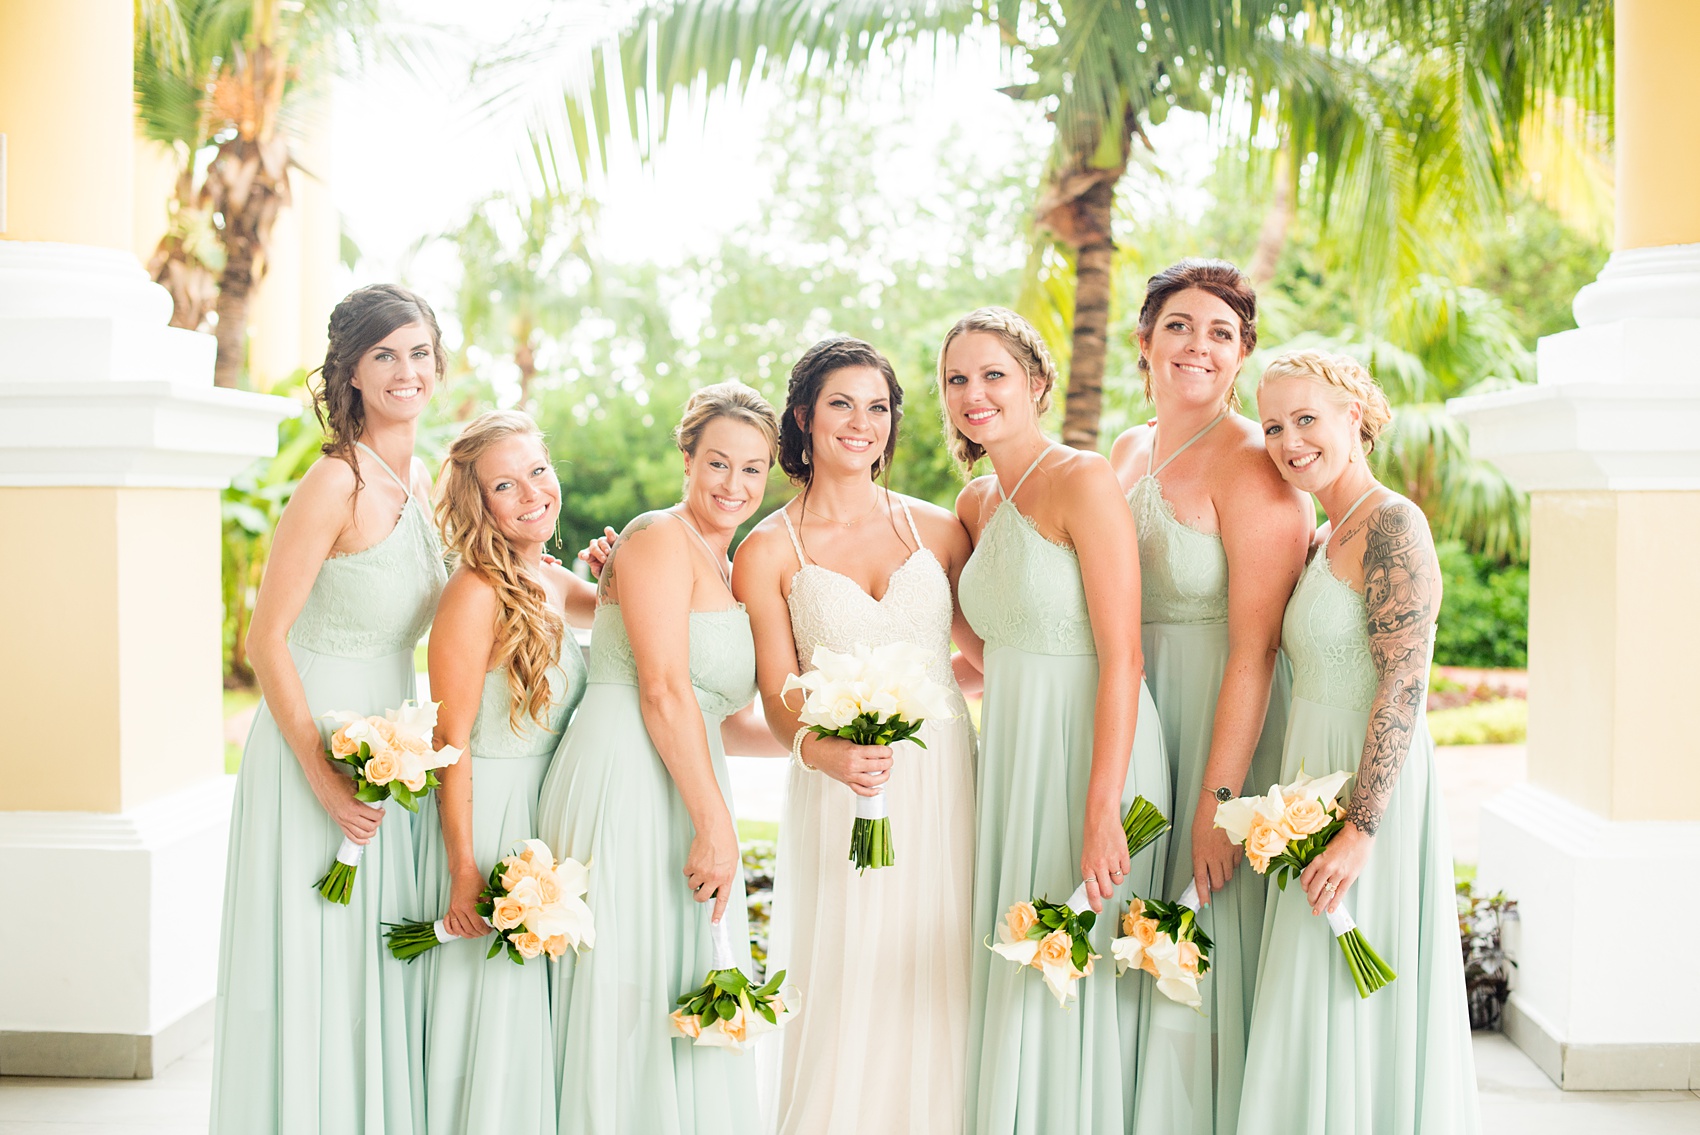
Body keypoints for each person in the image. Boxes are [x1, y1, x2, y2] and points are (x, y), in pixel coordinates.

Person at [210, 284, 448, 1134]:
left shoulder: (424, 478)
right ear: (348, 372)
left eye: (418, 351)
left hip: (395, 734)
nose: (405, 370)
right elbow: (264, 639)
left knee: (369, 963)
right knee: (316, 954)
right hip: (315, 736)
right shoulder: (334, 482)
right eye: (384, 354)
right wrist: (322, 775)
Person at [732, 336, 979, 1135]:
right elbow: (777, 697)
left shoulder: (939, 530)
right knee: (849, 973)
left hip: (943, 781)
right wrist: (824, 750)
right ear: (802, 416)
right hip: (841, 783)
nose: (861, 423)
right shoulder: (769, 548)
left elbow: (982, 655)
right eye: (841, 403)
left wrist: (933, 702)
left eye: (878, 407)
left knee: (940, 967)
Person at [1239, 348, 1478, 1133]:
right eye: (1273, 425)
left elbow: (1404, 681)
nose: (1288, 440)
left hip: (1365, 802)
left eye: (1306, 418)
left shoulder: (1393, 524)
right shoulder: (1321, 533)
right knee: (1311, 997)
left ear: (1355, 416)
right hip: (1311, 787)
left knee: (1347, 994)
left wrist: (1360, 828)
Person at [945, 308, 1170, 1134]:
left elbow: (1126, 656)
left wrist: (1102, 806)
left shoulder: (1081, 478)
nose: (975, 393)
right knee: (1018, 953)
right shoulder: (973, 503)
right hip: (1015, 751)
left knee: (1076, 965)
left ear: (1037, 383)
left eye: (994, 374)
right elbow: (980, 648)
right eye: (958, 379)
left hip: (1094, 749)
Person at [537, 382, 781, 1134]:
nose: (733, 484)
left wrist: (836, 741)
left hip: (687, 770)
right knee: (626, 977)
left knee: (678, 974)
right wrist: (716, 823)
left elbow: (726, 720)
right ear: (686, 456)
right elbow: (664, 692)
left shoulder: (729, 564)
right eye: (717, 462)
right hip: (626, 773)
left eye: (752, 468)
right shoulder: (655, 537)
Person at [1107, 260, 1311, 1135]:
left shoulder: (1255, 470)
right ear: (1144, 340)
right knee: (1127, 917)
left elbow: (1256, 649)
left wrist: (1219, 804)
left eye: (1222, 333)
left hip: (1223, 720)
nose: (1199, 345)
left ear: (1241, 356)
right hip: (1131, 716)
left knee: (1204, 923)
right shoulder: (1125, 449)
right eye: (1181, 325)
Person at [418, 410, 598, 1134]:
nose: (532, 491)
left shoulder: (549, 580)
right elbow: (449, 741)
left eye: (538, 469)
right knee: (492, 1010)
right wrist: (464, 867)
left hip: (548, 816)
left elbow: (627, 613)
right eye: (505, 483)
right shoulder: (473, 594)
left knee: (538, 1018)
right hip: (490, 813)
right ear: (477, 501)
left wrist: (621, 565)